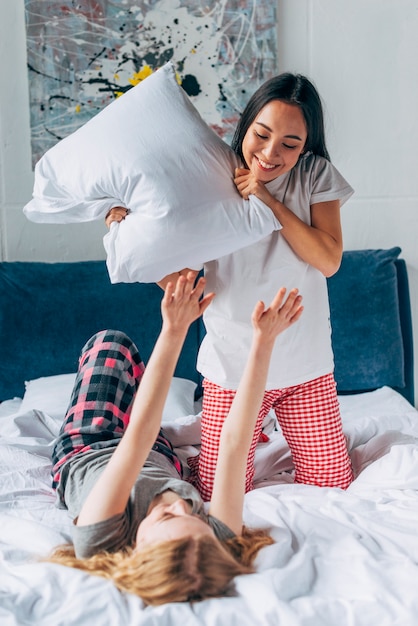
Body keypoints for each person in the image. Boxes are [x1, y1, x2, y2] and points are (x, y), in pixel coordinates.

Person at [105, 71, 354, 502]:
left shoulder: (316, 175)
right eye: (262, 134)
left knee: (334, 485)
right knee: (219, 492)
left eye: (290, 145)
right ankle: (192, 452)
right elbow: (179, 274)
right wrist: (127, 230)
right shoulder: (212, 174)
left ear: (306, 146)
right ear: (248, 123)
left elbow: (328, 259)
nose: (271, 153)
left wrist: (268, 199)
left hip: (306, 368)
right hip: (233, 368)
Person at [49, 271, 303, 605]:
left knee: (112, 344)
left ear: (135, 551)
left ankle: (139, 403)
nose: (183, 508)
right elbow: (234, 444)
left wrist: (175, 328)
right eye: (197, 519)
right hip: (158, 455)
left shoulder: (101, 537)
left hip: (89, 446)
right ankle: (170, 422)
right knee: (151, 421)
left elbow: (136, 438)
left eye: (168, 517)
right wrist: (264, 343)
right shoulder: (212, 542)